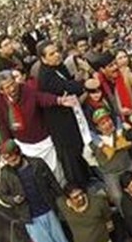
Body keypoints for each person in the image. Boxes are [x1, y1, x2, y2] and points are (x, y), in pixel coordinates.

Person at [0, 142, 80, 242]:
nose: (11, 162)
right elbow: (1, 194)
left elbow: (53, 183)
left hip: (48, 209)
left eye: (13, 159)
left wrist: (63, 199)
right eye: (7, 160)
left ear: (18, 152)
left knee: (61, 241)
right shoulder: (6, 173)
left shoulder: (37, 163)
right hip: (30, 218)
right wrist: (14, 200)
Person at [0, 70, 77, 186]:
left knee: (55, 170)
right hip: (24, 145)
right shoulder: (0, 100)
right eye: (7, 87)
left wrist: (59, 100)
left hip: (42, 139)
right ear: (1, 91)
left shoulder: (26, 90)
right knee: (39, 175)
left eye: (12, 84)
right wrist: (7, 143)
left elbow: (41, 98)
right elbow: (2, 122)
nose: (12, 89)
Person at [36, 40, 92, 188]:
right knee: (71, 158)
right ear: (43, 59)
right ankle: (80, 187)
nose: (57, 55)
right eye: (51, 54)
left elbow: (70, 84)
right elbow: (69, 87)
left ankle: (88, 178)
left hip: (71, 116)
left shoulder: (59, 67)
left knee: (79, 149)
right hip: (60, 125)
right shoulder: (46, 76)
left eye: (57, 51)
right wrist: (83, 83)